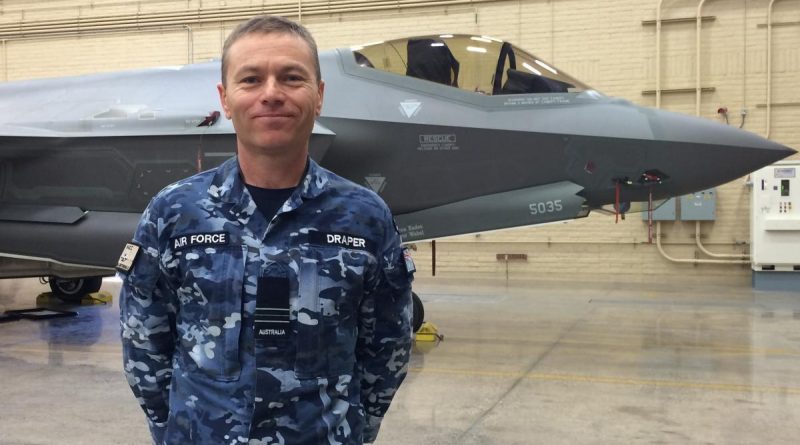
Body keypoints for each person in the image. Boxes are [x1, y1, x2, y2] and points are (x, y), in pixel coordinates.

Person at [118, 15, 414, 445]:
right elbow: (144, 338)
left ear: (319, 97)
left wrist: (355, 430)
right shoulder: (175, 211)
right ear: (225, 98)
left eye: (292, 78)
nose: (271, 94)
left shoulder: (364, 216)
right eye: (251, 79)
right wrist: (172, 429)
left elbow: (387, 345)